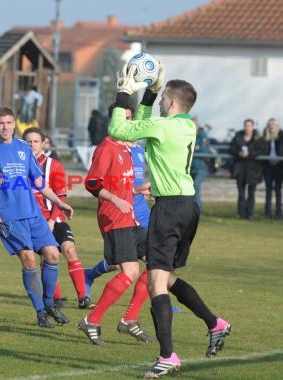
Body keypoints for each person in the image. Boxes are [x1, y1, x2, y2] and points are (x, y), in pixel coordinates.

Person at [107, 64, 231, 377]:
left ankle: (168, 356)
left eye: (163, 97)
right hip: (188, 206)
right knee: (166, 276)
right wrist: (149, 92)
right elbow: (150, 124)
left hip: (170, 208)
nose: (161, 101)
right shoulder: (186, 125)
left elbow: (118, 131)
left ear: (172, 104)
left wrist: (125, 92)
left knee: (154, 281)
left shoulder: (163, 127)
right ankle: (215, 323)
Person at [0, 107, 73, 328]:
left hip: (33, 213)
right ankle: (40, 313)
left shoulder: (23, 147)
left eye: (9, 122)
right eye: (1, 123)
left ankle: (49, 305)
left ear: (14, 124)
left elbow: (39, 182)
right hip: (8, 216)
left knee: (52, 254)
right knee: (28, 258)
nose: (6, 127)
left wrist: (58, 201)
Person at [76, 100, 152, 346]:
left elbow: (121, 183)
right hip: (113, 216)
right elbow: (93, 183)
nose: (129, 123)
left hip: (130, 216)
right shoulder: (107, 147)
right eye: (125, 118)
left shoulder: (126, 149)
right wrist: (115, 199)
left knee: (159, 262)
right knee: (130, 272)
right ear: (114, 122)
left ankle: (129, 319)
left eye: (131, 119)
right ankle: (92, 320)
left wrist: (139, 190)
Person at [22, 127, 90, 310]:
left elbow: (60, 197)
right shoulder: (19, 167)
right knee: (47, 257)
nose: (32, 145)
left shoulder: (54, 165)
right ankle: (56, 298)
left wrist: (51, 221)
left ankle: (83, 297)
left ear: (43, 143)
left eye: (36, 141)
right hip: (32, 223)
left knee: (69, 250)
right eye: (28, 141)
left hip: (55, 219)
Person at [229, 119, 264, 220]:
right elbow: (231, 148)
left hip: (253, 169)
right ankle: (241, 214)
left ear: (253, 127)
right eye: (246, 125)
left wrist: (250, 154)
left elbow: (261, 150)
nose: (247, 127)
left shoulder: (258, 138)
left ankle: (250, 214)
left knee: (251, 192)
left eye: (249, 125)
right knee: (241, 192)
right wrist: (239, 153)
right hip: (240, 168)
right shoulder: (238, 137)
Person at [260, 118, 283, 219]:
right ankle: (267, 213)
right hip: (268, 166)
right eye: (270, 124)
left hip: (279, 166)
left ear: (277, 126)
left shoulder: (281, 137)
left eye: (274, 124)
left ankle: (278, 212)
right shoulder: (264, 138)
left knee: (278, 189)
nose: (272, 126)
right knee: (268, 189)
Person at [190, 118, 211, 211]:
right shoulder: (187, 135)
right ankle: (190, 210)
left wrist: (193, 149)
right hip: (189, 168)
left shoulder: (203, 136)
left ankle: (197, 210)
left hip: (201, 168)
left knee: (196, 186)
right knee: (189, 189)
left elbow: (204, 150)